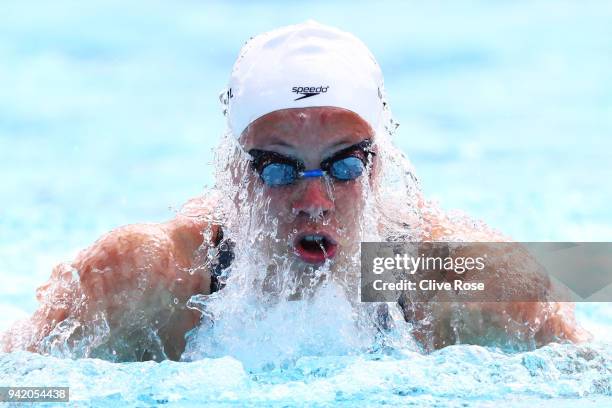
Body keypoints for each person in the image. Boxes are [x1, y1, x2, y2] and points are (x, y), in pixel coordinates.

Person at [1, 21, 589, 362]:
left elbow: (593, 369)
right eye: (278, 169)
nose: (314, 201)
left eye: (344, 167)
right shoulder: (156, 275)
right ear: (234, 175)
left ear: (379, 168)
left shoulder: (433, 274)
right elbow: (21, 380)